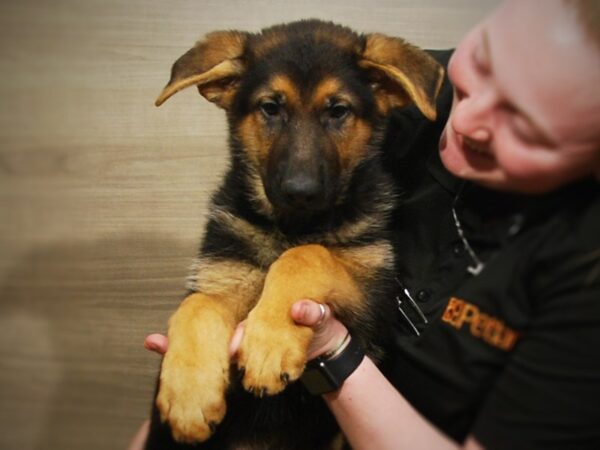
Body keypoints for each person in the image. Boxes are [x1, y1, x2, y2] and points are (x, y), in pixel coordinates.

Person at [133, 0, 600, 448]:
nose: (464, 118)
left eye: (524, 124)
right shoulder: (410, 90)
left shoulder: (584, 272)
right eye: (484, 61)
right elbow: (222, 299)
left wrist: (329, 346)